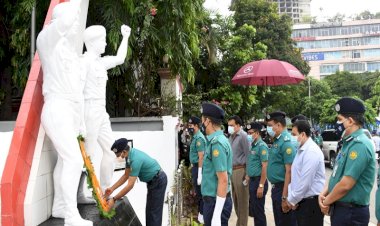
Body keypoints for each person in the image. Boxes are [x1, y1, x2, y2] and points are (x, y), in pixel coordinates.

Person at [36, 1, 93, 225]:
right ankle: (71, 215)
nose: (75, 25)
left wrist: (80, 122)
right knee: (73, 159)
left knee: (65, 159)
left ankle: (60, 206)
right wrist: (76, 7)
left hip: (69, 110)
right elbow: (65, 22)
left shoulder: (70, 52)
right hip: (56, 107)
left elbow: (77, 92)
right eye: (73, 20)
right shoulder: (47, 41)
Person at [82, 24, 131, 191]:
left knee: (111, 151)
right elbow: (77, 90)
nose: (104, 44)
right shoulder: (84, 62)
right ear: (93, 42)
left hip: (101, 111)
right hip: (88, 109)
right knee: (87, 154)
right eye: (102, 40)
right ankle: (80, 192)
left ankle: (104, 190)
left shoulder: (100, 63)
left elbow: (120, 59)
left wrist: (125, 37)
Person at [318, 97, 376, 226]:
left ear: (350, 121)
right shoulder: (347, 143)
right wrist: (324, 193)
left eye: (339, 119)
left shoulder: (359, 144)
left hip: (351, 212)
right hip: (342, 209)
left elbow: (346, 184)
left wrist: (326, 202)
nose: (337, 124)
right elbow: (336, 175)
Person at [105, 138, 167, 226]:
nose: (118, 157)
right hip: (153, 181)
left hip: (158, 180)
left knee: (154, 213)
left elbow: (130, 185)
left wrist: (114, 199)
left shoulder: (135, 160)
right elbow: (126, 176)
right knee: (149, 211)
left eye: (119, 155)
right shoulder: (129, 156)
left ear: (124, 151)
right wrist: (112, 189)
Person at [286, 120, 325, 226]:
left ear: (303, 134)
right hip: (301, 201)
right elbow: (295, 178)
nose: (292, 138)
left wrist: (291, 200)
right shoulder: (301, 149)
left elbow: (305, 183)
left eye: (294, 134)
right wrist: (292, 199)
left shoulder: (311, 151)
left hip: (310, 205)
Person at [201, 102, 233, 226]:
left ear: (208, 121)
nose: (202, 123)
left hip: (215, 201)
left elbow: (223, 179)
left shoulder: (217, 144)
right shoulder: (217, 140)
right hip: (213, 200)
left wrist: (216, 215)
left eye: (203, 120)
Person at [265, 111, 296, 226]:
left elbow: (290, 171)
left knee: (285, 222)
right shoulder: (277, 140)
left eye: (270, 126)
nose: (269, 129)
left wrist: (285, 197)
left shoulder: (286, 142)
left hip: (283, 188)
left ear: (278, 125)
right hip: (276, 188)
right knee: (279, 221)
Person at [228, 115, 250, 226]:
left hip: (241, 170)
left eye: (231, 125)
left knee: (242, 202)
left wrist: (247, 174)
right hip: (232, 172)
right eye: (228, 125)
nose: (229, 127)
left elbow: (249, 155)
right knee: (236, 202)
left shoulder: (243, 136)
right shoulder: (231, 137)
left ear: (238, 125)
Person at [245, 122, 269, 226]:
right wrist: (248, 174)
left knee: (259, 212)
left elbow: (264, 166)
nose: (249, 135)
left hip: (259, 181)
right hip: (252, 181)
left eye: (251, 133)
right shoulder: (253, 145)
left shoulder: (262, 146)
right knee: (254, 211)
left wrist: (261, 185)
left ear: (257, 133)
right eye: (248, 133)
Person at [188, 116, 206, 223]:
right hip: (195, 167)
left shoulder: (199, 139)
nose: (189, 127)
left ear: (196, 126)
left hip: (199, 168)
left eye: (191, 126)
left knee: (201, 193)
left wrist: (199, 173)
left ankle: (202, 214)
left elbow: (201, 157)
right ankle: (201, 213)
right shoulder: (195, 137)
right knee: (198, 193)